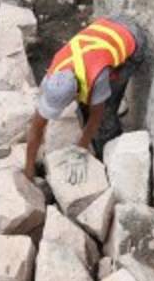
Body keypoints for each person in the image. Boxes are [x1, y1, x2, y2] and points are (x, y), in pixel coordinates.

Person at [23, 17, 146, 178]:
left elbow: (96, 117)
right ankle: (100, 100)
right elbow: (37, 126)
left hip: (132, 40)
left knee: (106, 117)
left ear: (75, 94)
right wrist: (29, 167)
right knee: (87, 106)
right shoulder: (53, 76)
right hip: (109, 24)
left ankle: (109, 153)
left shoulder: (97, 77)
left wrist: (80, 150)